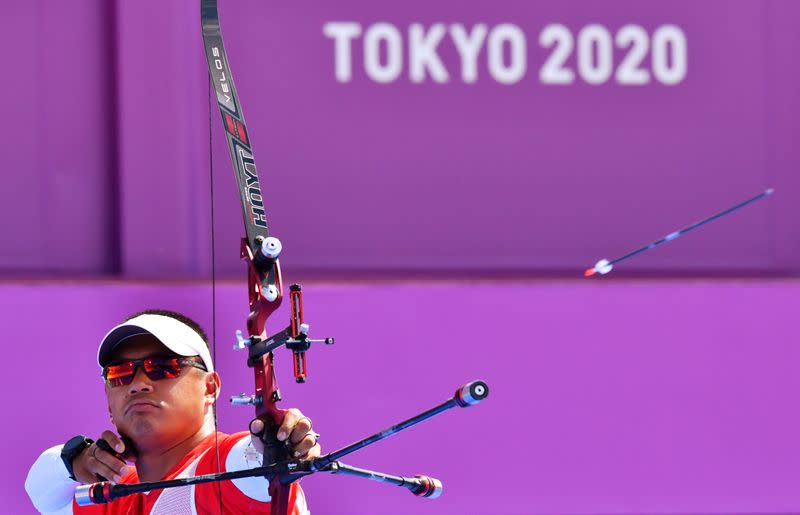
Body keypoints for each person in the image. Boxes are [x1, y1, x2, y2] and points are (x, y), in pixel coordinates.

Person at [25, 310, 319, 514]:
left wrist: (277, 444)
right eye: (120, 373)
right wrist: (76, 459)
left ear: (209, 388)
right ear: (108, 403)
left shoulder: (220, 468)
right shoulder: (117, 493)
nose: (138, 384)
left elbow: (249, 463)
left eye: (163, 367)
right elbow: (42, 493)